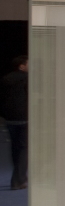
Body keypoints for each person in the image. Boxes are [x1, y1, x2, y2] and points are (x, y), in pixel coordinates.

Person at [0, 54, 25, 189]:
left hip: (10, 118)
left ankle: (19, 177)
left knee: (15, 148)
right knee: (24, 149)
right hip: (24, 117)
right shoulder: (27, 79)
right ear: (22, 66)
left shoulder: (5, 79)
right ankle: (18, 180)